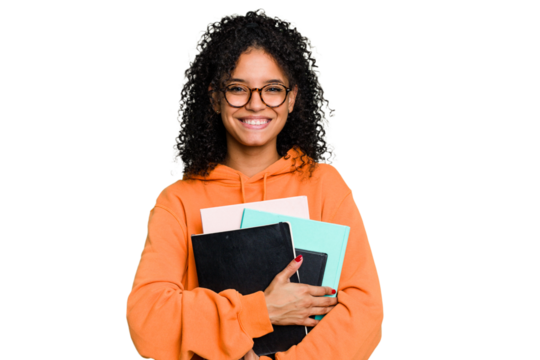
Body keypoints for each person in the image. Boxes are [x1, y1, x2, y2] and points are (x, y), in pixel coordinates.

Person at [126, 7, 384, 360]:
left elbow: (365, 314)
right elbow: (148, 321)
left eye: (272, 89)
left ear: (292, 98)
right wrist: (261, 310)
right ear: (215, 97)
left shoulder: (326, 186)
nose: (255, 104)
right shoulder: (177, 201)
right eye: (237, 89)